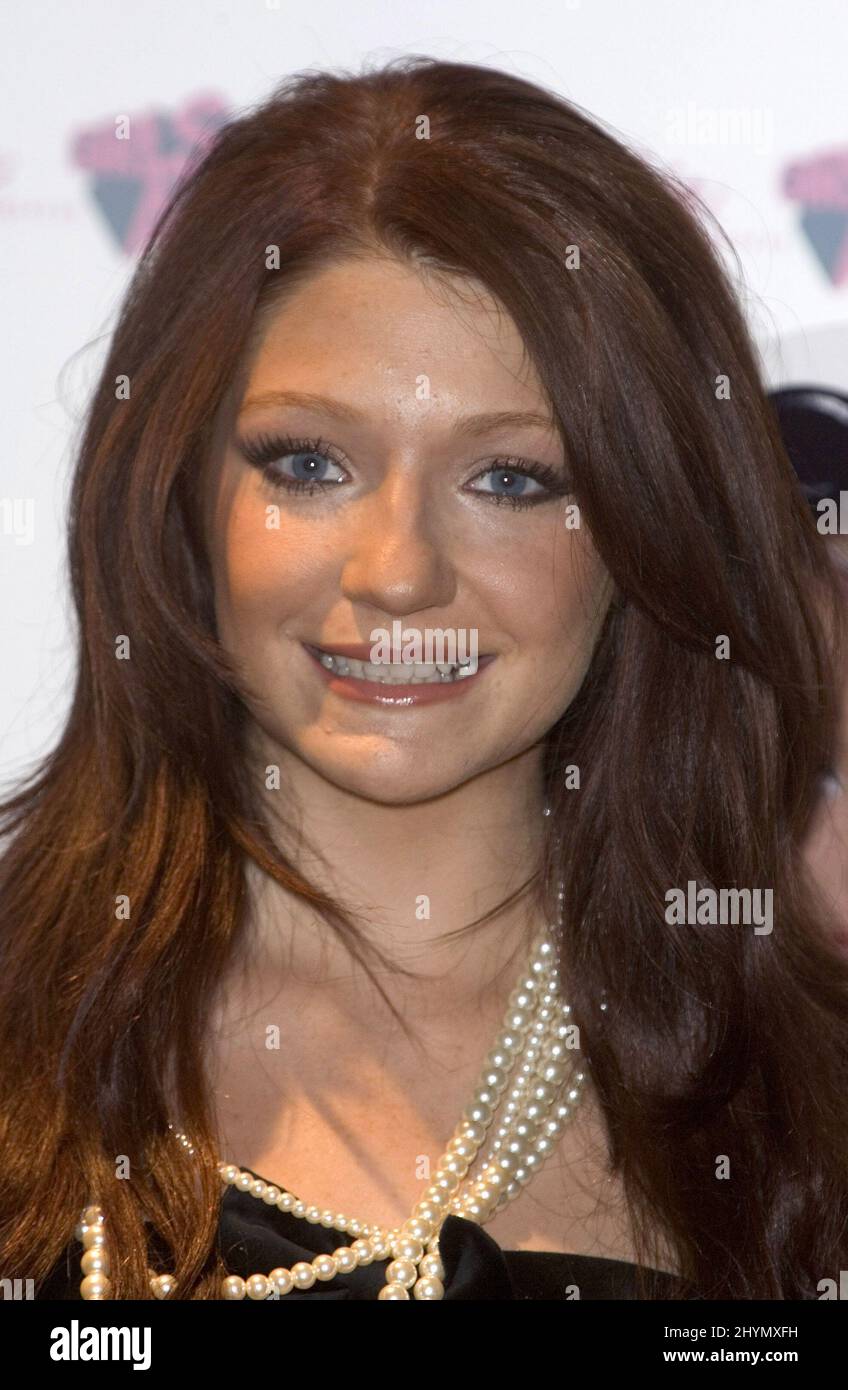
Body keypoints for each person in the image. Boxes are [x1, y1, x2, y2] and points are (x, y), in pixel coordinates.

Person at [2, 55, 847, 1303]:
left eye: (510, 479)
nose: (397, 574)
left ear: (641, 535)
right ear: (177, 498)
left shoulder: (799, 1091)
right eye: (308, 464)